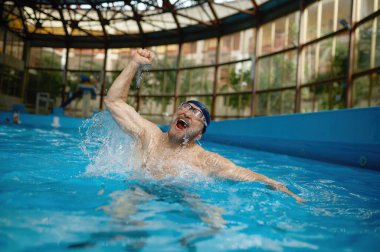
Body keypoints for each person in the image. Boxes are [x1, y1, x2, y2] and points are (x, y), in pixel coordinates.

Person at [105, 48, 304, 203]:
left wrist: (281, 188)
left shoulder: (206, 160)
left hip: (182, 201)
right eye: (185, 107)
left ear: (200, 134)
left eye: (196, 113)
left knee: (211, 217)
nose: (187, 112)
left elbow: (248, 175)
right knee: (123, 213)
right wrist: (134, 63)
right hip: (137, 193)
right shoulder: (149, 135)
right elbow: (114, 101)